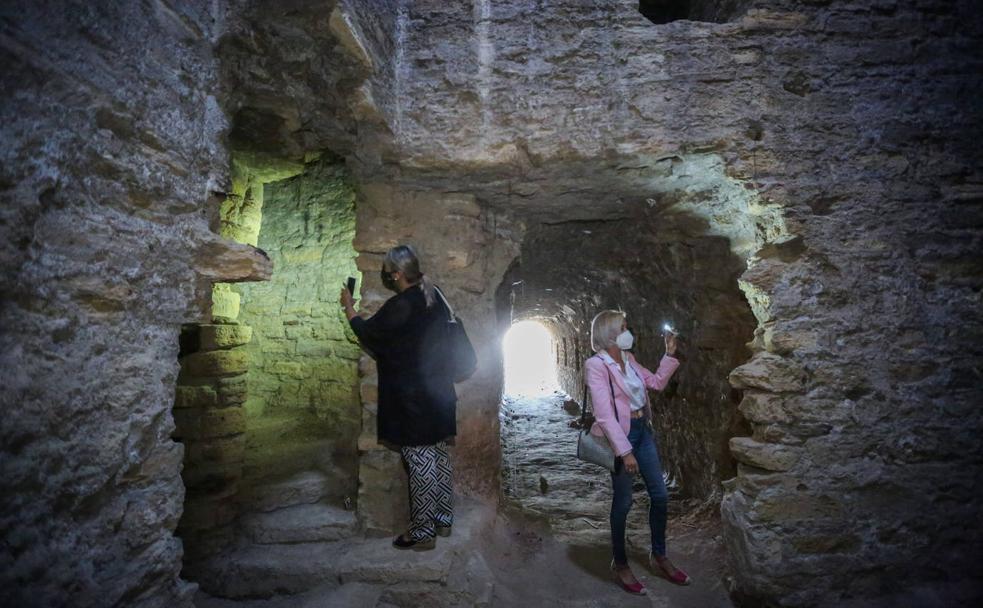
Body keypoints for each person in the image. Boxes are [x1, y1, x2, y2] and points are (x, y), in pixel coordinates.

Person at [340, 245, 457, 551]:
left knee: (420, 461)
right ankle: (443, 519)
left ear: (395, 274)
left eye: (388, 273)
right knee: (438, 455)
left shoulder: (402, 304)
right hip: (440, 391)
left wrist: (349, 308)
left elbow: (370, 334)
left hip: (414, 398)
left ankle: (423, 532)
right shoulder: (434, 294)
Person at [585, 309, 689, 594]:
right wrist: (625, 452)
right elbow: (604, 416)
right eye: (623, 328)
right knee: (624, 502)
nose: (628, 332)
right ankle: (620, 564)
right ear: (609, 334)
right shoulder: (596, 365)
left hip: (643, 430)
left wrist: (669, 354)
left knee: (660, 495)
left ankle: (659, 555)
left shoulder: (628, 358)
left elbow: (655, 382)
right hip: (621, 435)